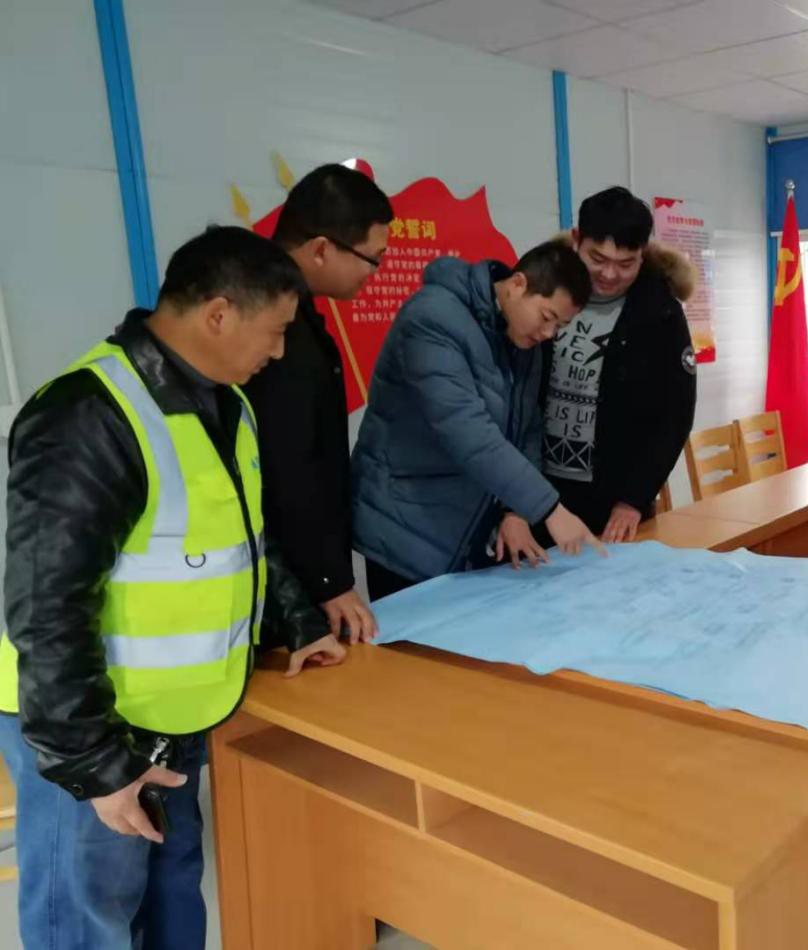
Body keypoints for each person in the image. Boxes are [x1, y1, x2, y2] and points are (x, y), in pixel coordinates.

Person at [0, 226, 347, 949]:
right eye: (276, 331)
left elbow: (242, 539)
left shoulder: (225, 404)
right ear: (219, 314)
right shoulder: (89, 413)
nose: (280, 351)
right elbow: (46, 602)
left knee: (170, 901)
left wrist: (299, 621)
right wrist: (93, 764)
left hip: (174, 716)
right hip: (87, 724)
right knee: (87, 919)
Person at [351, 240, 603, 599]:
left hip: (466, 529)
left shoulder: (520, 336)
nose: (548, 334)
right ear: (517, 284)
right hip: (406, 528)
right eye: (547, 317)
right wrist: (549, 509)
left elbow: (526, 428)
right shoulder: (432, 318)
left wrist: (515, 511)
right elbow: (467, 431)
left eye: (559, 326)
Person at [244, 163, 394, 645]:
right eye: (371, 259)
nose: (374, 273)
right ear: (322, 249)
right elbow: (288, 463)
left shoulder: (296, 314)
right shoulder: (278, 331)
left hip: (296, 564)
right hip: (281, 574)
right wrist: (328, 580)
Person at [539, 186, 697, 545]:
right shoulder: (545, 290)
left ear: (643, 254)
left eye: (626, 264)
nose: (609, 274)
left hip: (617, 503)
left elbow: (676, 415)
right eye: (597, 258)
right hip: (543, 495)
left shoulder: (660, 311)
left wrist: (634, 499)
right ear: (576, 240)